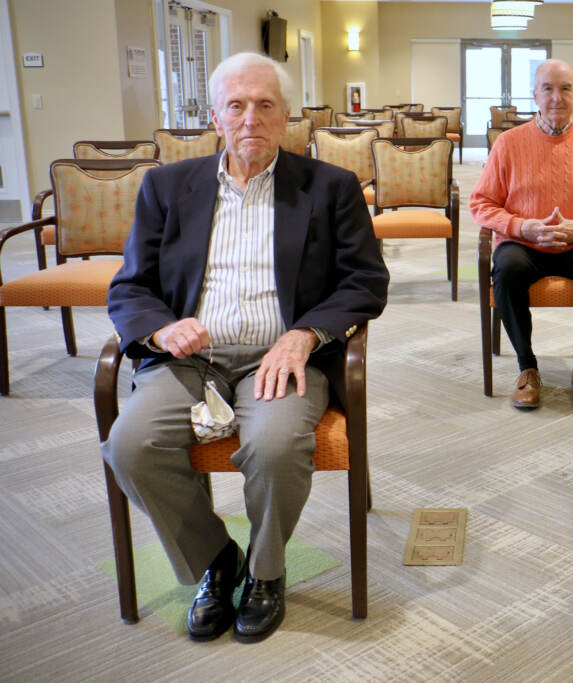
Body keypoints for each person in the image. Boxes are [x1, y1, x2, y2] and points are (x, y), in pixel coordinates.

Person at [101, 52, 389, 642]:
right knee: (128, 445)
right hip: (188, 359)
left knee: (277, 445)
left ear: (286, 116)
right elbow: (130, 286)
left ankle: (265, 572)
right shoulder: (166, 186)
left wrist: (305, 334)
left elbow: (365, 282)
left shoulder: (329, 187)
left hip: (281, 357)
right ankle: (214, 560)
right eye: (236, 106)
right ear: (216, 116)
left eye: (264, 105)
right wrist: (160, 330)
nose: (250, 118)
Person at [469, 59, 573, 409]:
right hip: (523, 244)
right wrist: (520, 226)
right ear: (535, 95)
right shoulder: (509, 143)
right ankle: (527, 367)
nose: (556, 98)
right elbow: (481, 204)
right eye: (548, 88)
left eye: (565, 89)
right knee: (507, 269)